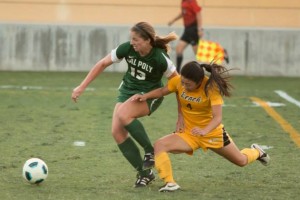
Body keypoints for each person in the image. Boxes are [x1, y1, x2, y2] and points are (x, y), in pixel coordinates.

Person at [131, 61, 270, 192]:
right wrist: (145, 96)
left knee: (241, 161)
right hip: (189, 133)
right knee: (160, 145)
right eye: (183, 82)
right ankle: (170, 183)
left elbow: (218, 118)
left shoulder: (211, 88)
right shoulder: (179, 81)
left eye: (188, 84)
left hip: (212, 133)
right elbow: (162, 91)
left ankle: (257, 151)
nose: (184, 86)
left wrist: (204, 130)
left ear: (199, 81)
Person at [71, 22, 179, 187]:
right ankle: (144, 173)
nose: (132, 42)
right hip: (128, 90)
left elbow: (178, 85)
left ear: (148, 40)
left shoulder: (160, 58)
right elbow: (102, 63)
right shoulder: (127, 48)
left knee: (123, 114)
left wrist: (181, 116)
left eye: (136, 39)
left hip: (150, 95)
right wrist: (82, 86)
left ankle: (150, 151)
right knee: (116, 132)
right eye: (131, 39)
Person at [168, 0, 203, 73]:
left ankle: (222, 54)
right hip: (187, 30)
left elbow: (198, 13)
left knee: (198, 54)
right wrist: (173, 20)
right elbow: (183, 13)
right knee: (179, 49)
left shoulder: (192, 1)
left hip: (193, 29)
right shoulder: (183, 2)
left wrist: (200, 29)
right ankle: (178, 71)